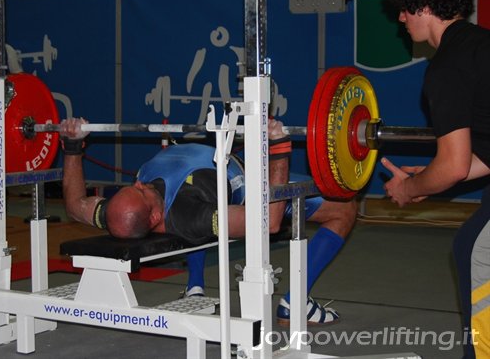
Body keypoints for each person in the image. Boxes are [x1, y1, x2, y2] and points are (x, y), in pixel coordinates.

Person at [60, 117, 357, 326]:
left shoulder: (118, 214)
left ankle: (194, 288)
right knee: (344, 209)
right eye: (141, 191)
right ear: (154, 217)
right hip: (253, 183)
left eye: (134, 185)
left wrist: (72, 147)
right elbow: (268, 223)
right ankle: (295, 302)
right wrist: (277, 151)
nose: (139, 184)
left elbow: (75, 206)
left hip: (204, 168)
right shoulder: (189, 215)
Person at [383, 0, 490, 357]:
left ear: (425, 6)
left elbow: (454, 165)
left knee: (474, 248)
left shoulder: (447, 66)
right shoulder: (481, 45)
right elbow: (478, 156)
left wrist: (411, 187)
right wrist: (432, 174)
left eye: (405, 9)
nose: (401, 19)